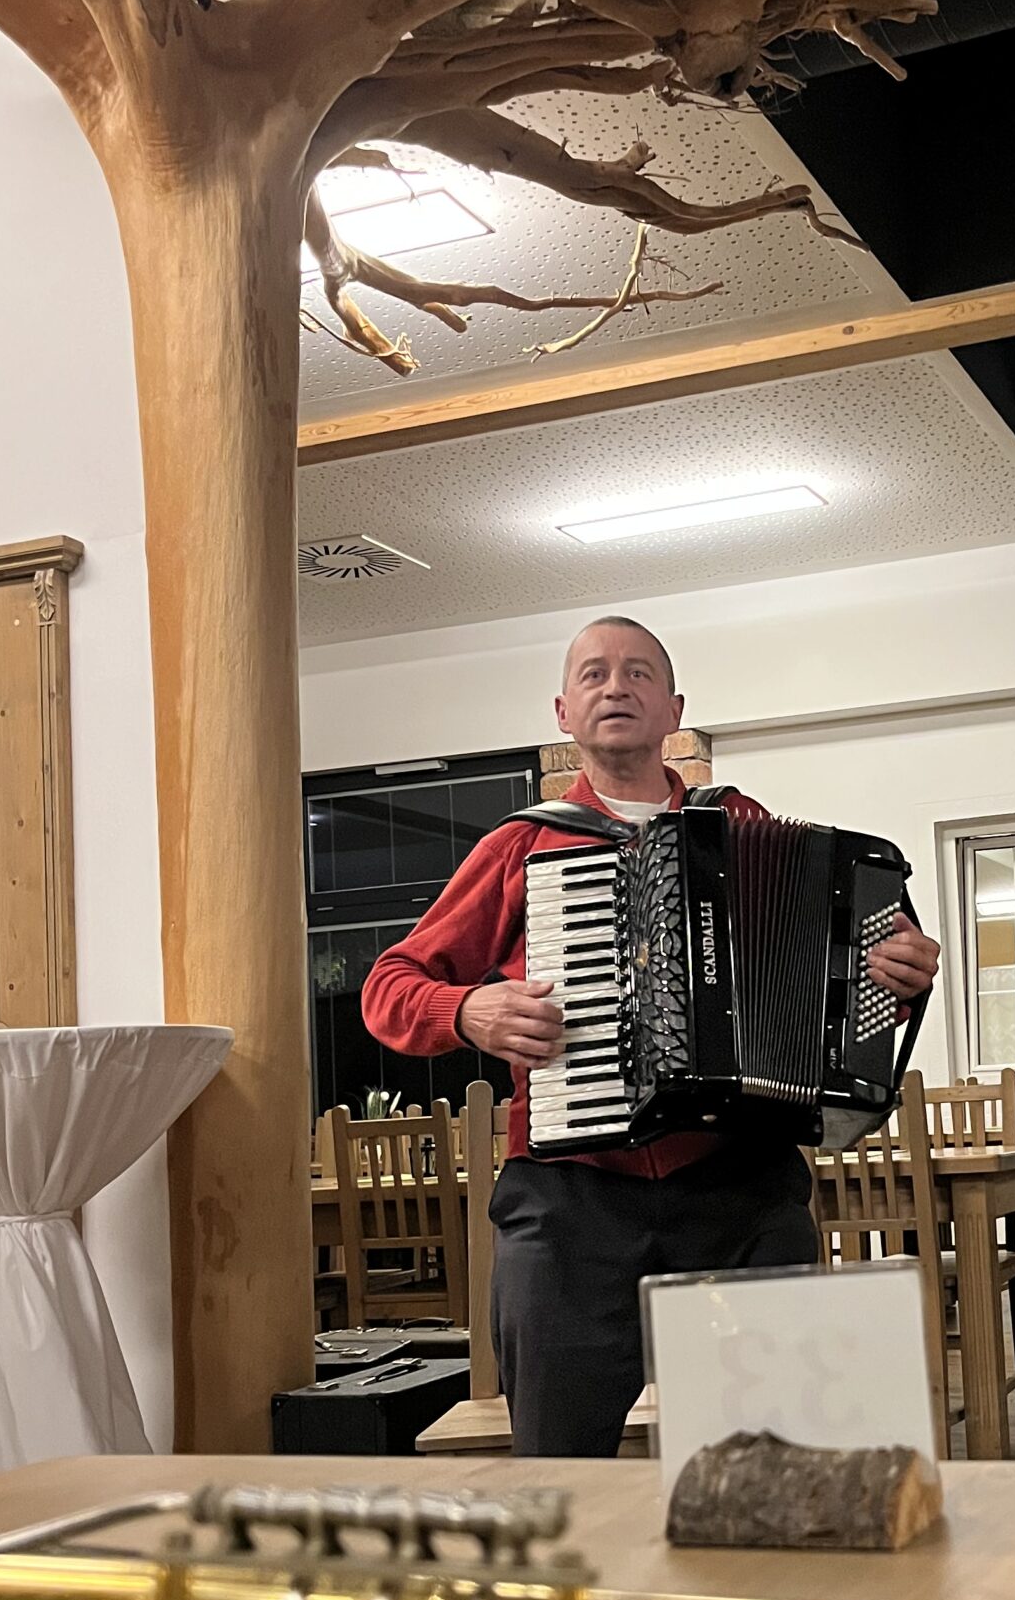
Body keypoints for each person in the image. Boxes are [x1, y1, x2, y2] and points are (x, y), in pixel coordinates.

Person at [362, 616, 941, 1457]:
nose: (616, 686)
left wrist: (896, 971)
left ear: (674, 707)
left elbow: (834, 973)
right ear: (563, 712)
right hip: (570, 1197)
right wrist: (467, 1011)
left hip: (738, 1185)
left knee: (773, 1462)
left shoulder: (738, 821)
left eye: (638, 672)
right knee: (560, 1460)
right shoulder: (523, 843)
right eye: (593, 674)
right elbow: (388, 987)